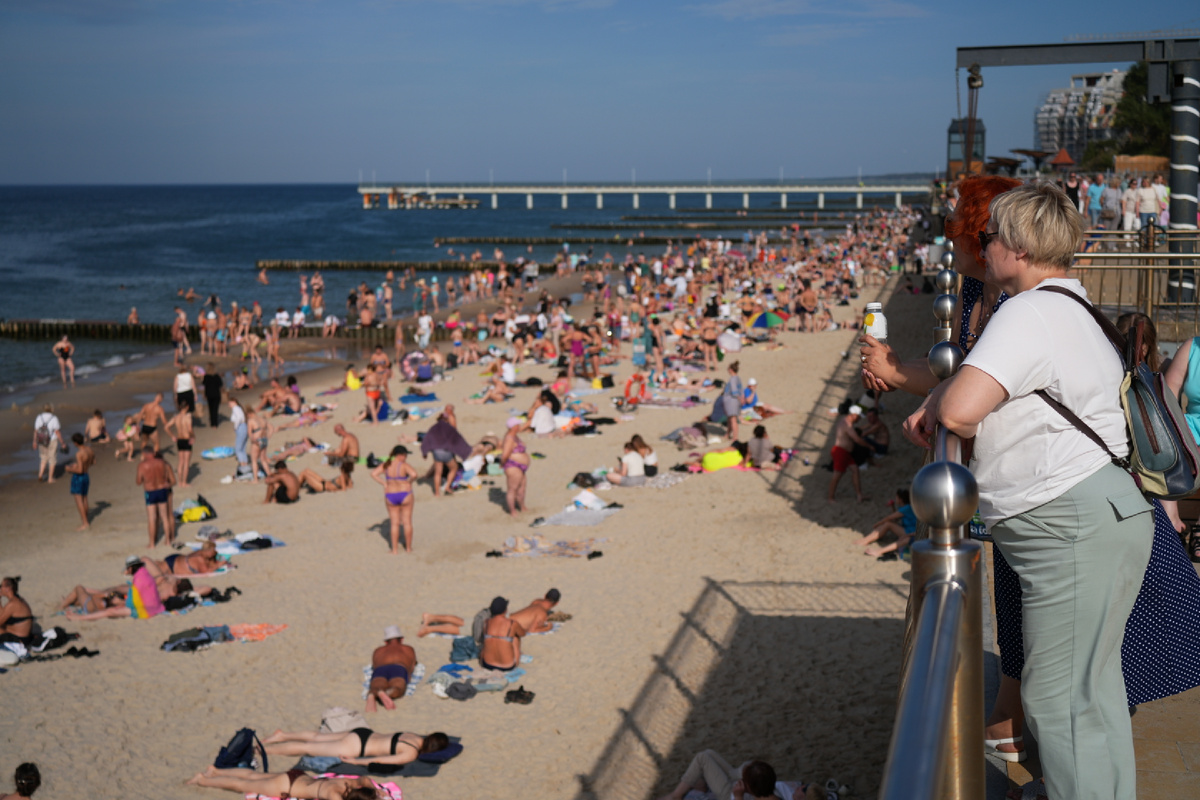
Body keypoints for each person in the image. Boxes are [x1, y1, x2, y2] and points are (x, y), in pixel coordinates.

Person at [902, 182, 1151, 800]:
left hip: (1068, 523)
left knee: (1059, 697)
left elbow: (961, 408)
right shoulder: (1075, 307)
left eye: (989, 239)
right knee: (1091, 691)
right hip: (1101, 511)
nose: (983, 250)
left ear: (1015, 246)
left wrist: (938, 398)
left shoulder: (1028, 310)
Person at [260, 728, 450, 766]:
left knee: (318, 737)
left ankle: (283, 735)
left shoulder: (413, 736)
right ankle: (264, 750)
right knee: (308, 748)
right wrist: (357, 762)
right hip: (357, 746)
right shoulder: (411, 753)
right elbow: (381, 759)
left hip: (363, 733)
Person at [186, 767, 380, 799]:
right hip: (285, 787)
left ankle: (216, 771)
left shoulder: (349, 783)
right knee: (241, 785)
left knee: (252, 776)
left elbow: (364, 779)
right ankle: (202, 780)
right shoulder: (334, 796)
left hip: (296, 775)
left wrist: (376, 792)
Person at [656, 754, 781, 800]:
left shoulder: (741, 793)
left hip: (728, 795)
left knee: (702, 758)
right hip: (746, 790)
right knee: (708, 753)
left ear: (748, 786)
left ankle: (675, 795)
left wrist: (738, 796)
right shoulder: (775, 794)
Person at [372, 445, 417, 554]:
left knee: (394, 523)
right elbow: (414, 474)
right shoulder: (404, 465)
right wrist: (409, 482)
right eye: (405, 455)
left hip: (390, 494)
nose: (406, 457)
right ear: (401, 455)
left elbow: (373, 474)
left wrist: (384, 483)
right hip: (405, 493)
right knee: (407, 522)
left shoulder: (386, 465)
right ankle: (408, 548)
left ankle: (394, 550)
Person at [365, 625, 417, 711]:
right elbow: (411, 667)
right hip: (399, 668)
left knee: (377, 685)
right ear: (401, 639)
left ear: (385, 642)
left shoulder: (378, 650)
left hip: (380, 669)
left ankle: (372, 694)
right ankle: (387, 693)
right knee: (397, 688)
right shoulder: (408, 649)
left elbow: (374, 667)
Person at [420, 409, 471, 496]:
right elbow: (457, 439)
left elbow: (427, 439)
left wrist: (425, 452)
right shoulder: (449, 428)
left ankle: (436, 492)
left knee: (437, 472)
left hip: (436, 452)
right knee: (454, 468)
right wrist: (464, 451)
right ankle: (447, 486)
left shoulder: (434, 428)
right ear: (446, 420)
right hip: (446, 452)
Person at [855, 488, 917, 560]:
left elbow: (889, 517)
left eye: (896, 497)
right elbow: (895, 519)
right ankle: (866, 539)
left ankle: (866, 540)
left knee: (888, 524)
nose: (895, 498)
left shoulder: (907, 508)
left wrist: (877, 524)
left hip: (910, 531)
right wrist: (892, 506)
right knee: (888, 524)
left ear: (900, 499)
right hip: (908, 530)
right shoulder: (904, 507)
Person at [827, 404, 868, 503]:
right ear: (854, 415)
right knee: (837, 475)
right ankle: (830, 497)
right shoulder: (847, 424)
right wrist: (869, 446)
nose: (859, 419)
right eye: (858, 417)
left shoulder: (845, 421)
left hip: (845, 452)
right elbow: (856, 439)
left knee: (855, 470)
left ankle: (859, 495)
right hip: (840, 451)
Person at [135, 446, 176, 547]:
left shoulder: (142, 465)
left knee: (152, 518)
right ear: (153, 453)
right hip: (162, 489)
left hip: (150, 491)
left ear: (144, 454)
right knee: (164, 516)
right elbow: (169, 478)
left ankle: (152, 543)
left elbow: (138, 482)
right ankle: (167, 540)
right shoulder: (162, 463)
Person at [479, 596, 524, 671]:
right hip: (507, 666)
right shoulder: (512, 623)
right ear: (505, 610)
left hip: (486, 664)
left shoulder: (486, 622)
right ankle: (516, 659)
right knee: (515, 637)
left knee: (489, 638)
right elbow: (522, 633)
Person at [499, 419, 530, 518]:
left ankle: (522, 506)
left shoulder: (515, 436)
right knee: (513, 489)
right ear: (513, 427)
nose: (520, 425)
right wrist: (502, 464)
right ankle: (512, 511)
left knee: (522, 489)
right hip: (513, 466)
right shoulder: (509, 438)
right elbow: (505, 454)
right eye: (518, 424)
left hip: (521, 466)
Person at [64, 433, 95, 531]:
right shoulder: (89, 450)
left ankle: (85, 523)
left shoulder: (79, 453)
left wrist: (69, 469)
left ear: (75, 443)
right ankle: (86, 520)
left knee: (79, 500)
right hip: (86, 476)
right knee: (84, 498)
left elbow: (80, 470)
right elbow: (93, 462)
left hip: (79, 477)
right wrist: (77, 466)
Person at [32, 404, 64, 483]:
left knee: (43, 458)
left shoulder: (39, 417)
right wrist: (62, 442)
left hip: (41, 440)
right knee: (52, 459)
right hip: (51, 440)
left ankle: (40, 475)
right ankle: (50, 478)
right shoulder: (54, 418)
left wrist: (34, 441)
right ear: (51, 409)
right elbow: (57, 431)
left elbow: (36, 430)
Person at [165, 406, 195, 488]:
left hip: (179, 440)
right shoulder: (188, 417)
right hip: (186, 440)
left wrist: (172, 436)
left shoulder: (176, 417)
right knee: (186, 463)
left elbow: (166, 427)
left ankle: (180, 482)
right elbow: (189, 429)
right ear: (186, 407)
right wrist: (193, 437)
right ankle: (184, 482)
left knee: (180, 462)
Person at [0, 577, 34, 647]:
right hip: (23, 638)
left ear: (7, 588)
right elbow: (2, 614)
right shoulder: (18, 600)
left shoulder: (13, 604)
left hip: (20, 641)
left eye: (1, 586)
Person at [721, 361, 743, 440]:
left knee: (733, 419)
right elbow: (741, 390)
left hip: (732, 401)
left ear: (730, 370)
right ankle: (727, 434)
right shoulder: (737, 378)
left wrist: (739, 398)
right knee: (730, 419)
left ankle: (735, 437)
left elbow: (734, 391)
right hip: (734, 401)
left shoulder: (733, 379)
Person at [228, 397, 249, 477]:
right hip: (244, 427)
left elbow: (239, 418)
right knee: (243, 448)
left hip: (241, 427)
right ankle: (245, 464)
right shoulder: (239, 408)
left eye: (229, 403)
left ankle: (243, 465)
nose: (229, 405)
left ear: (233, 402)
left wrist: (235, 427)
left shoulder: (235, 408)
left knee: (238, 449)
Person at [202, 363, 224, 428]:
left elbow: (204, 385)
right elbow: (220, 384)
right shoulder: (216, 376)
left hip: (209, 394)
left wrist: (204, 394)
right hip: (216, 394)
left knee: (211, 409)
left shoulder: (206, 376)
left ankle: (212, 423)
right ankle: (215, 424)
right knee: (215, 409)